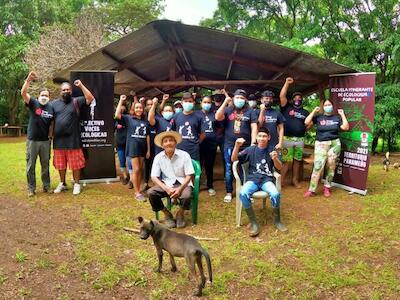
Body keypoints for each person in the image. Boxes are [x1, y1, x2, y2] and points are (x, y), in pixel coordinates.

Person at [231, 128, 287, 237]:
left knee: (275, 194)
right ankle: (254, 223)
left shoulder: (272, 150)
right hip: (253, 180)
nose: (262, 138)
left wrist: (275, 159)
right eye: (260, 136)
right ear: (256, 137)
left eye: (264, 136)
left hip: (266, 180)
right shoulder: (250, 150)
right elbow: (234, 159)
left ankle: (277, 221)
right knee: (243, 193)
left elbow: (279, 167)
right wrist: (237, 146)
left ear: (269, 137)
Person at [52, 80, 95, 195]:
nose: (66, 91)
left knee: (76, 164)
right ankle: (62, 183)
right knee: (61, 164)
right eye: (63, 90)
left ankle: (76, 184)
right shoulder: (54, 104)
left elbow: (90, 98)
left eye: (68, 90)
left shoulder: (76, 101)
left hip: (73, 140)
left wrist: (81, 85)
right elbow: (45, 115)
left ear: (71, 91)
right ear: (60, 92)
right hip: (59, 141)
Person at [215, 89, 258, 203]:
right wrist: (225, 102)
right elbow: (218, 117)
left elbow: (254, 127)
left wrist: (254, 143)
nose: (239, 100)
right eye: (237, 97)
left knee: (246, 168)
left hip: (246, 146)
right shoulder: (228, 110)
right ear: (233, 99)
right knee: (229, 168)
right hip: (229, 144)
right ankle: (229, 192)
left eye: (242, 98)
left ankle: (246, 191)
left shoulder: (250, 111)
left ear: (245, 100)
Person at [148, 131, 194, 229]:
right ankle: (167, 214)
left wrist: (180, 189)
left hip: (183, 182)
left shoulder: (184, 155)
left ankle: (180, 213)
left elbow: (189, 175)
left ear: (175, 143)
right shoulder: (158, 157)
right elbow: (154, 176)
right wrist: (167, 188)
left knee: (187, 195)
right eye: (165, 141)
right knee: (151, 193)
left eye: (171, 140)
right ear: (162, 145)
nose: (168, 143)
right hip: (167, 183)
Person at [304, 100, 349, 197]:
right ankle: (312, 190)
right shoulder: (319, 117)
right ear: (323, 107)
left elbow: (345, 127)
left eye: (329, 104)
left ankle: (327, 187)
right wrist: (313, 112)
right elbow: (306, 122)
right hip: (321, 144)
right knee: (318, 166)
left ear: (332, 106)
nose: (328, 106)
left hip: (335, 144)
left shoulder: (337, 117)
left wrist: (342, 115)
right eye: (326, 105)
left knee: (331, 165)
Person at [20, 71, 54, 197]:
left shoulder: (51, 108)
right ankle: (31, 188)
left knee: (45, 165)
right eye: (42, 95)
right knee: (31, 165)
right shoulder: (34, 103)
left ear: (49, 97)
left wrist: (51, 135)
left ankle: (46, 186)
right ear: (38, 96)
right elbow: (23, 93)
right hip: (32, 140)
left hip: (45, 141)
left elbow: (52, 123)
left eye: (46, 95)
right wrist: (28, 80)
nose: (44, 97)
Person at [115, 96, 150, 201]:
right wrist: (121, 100)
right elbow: (117, 115)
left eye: (140, 108)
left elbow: (147, 135)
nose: (139, 109)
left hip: (142, 148)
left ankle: (138, 189)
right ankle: (137, 193)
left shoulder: (145, 121)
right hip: (133, 148)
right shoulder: (128, 118)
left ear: (143, 109)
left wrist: (148, 150)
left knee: (140, 171)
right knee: (136, 169)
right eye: (137, 108)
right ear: (133, 109)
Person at [279, 77, 310, 188]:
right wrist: (286, 83)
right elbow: (282, 96)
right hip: (287, 139)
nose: (298, 99)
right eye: (295, 98)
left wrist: (304, 129)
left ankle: (295, 180)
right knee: (286, 161)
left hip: (300, 139)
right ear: (292, 100)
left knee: (297, 160)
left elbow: (309, 123)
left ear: (302, 100)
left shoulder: (305, 112)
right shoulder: (286, 107)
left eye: (299, 98)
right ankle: (281, 181)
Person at [173, 92, 204, 162]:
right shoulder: (176, 116)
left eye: (190, 101)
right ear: (182, 102)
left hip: (193, 150)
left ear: (193, 103)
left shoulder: (198, 117)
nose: (188, 103)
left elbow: (203, 133)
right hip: (179, 149)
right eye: (186, 101)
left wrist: (197, 143)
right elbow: (172, 132)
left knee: (193, 171)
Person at [198, 96, 218, 196]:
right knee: (198, 166)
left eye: (209, 102)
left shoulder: (214, 114)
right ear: (201, 102)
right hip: (199, 145)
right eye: (205, 102)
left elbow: (219, 127)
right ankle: (197, 186)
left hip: (211, 144)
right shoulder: (196, 114)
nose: (207, 104)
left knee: (209, 166)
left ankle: (210, 186)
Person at [114, 102, 130, 185]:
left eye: (124, 108)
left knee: (130, 160)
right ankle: (125, 176)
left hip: (128, 142)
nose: (122, 109)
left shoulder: (128, 118)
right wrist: (116, 126)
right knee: (121, 160)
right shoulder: (115, 119)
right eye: (121, 108)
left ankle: (131, 176)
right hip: (119, 143)